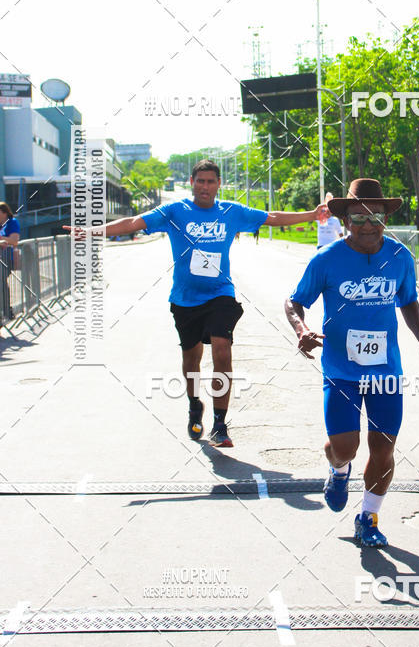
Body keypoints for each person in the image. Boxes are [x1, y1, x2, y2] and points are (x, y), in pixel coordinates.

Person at [66, 160, 325, 448]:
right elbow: (133, 223)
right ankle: (193, 404)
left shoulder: (231, 212)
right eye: (200, 181)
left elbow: (273, 217)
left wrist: (313, 215)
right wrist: (93, 231)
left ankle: (220, 424)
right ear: (191, 182)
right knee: (192, 360)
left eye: (210, 181)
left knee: (222, 351)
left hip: (220, 294)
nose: (205, 187)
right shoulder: (175, 212)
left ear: (218, 184)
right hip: (185, 299)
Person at [285, 178, 419, 548]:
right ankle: (338, 470)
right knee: (345, 447)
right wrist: (301, 328)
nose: (368, 225)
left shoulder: (400, 256)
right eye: (359, 217)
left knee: (384, 446)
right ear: (345, 221)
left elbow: (408, 301)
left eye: (376, 217)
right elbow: (294, 302)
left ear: (386, 218)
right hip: (341, 370)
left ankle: (368, 517)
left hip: (386, 370)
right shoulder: (326, 259)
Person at [0, 202, 20, 324]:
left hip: (7, 259)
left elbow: (14, 241)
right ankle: (7, 311)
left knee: (1, 283)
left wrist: (2, 239)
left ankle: (7, 311)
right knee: (1, 284)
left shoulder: (12, 222)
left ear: (4, 212)